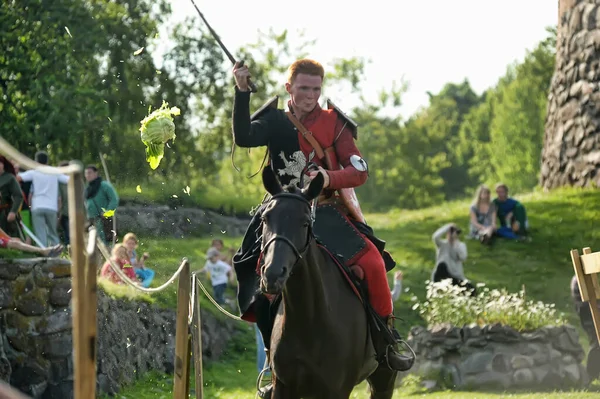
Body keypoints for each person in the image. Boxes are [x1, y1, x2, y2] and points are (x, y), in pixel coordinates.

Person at [231, 58, 411, 398]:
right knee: (257, 278)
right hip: (284, 211)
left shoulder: (334, 123)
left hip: (326, 211)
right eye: (303, 88)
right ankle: (274, 365)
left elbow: (358, 172)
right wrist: (242, 92)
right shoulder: (273, 120)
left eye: (316, 88)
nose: (310, 95)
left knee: (372, 263)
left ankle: (386, 343)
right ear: (289, 88)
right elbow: (243, 137)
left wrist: (329, 176)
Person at [17, 151, 69, 247]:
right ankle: (55, 251)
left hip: (37, 206)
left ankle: (43, 253)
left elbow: (19, 178)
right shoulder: (54, 172)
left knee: (40, 234)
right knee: (53, 233)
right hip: (51, 207)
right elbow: (68, 180)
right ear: (47, 161)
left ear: (36, 161)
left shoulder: (34, 172)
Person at [431, 223, 476, 295]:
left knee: (472, 290)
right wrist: (448, 226)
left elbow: (463, 257)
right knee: (442, 265)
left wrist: (455, 243)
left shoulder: (461, 245)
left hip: (456, 276)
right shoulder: (442, 244)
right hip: (443, 275)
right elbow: (435, 237)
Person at [570, 275, 600, 381]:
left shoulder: (584, 278)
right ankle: (591, 375)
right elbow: (587, 302)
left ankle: (593, 374)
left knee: (596, 341)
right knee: (596, 340)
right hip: (588, 314)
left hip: (589, 311)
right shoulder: (580, 279)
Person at [83, 165, 119, 245]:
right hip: (91, 219)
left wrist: (107, 212)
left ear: (96, 173)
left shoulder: (104, 185)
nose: (87, 175)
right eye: (86, 173)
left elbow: (114, 199)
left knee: (103, 241)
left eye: (90, 173)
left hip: (102, 219)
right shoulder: (88, 188)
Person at [0, 156, 23, 238]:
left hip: (5, 214)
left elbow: (18, 195)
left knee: (10, 239)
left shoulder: (9, 178)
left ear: (3, 164)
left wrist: (13, 212)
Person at [57, 160, 70, 246]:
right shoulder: (59, 182)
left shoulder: (74, 181)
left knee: (69, 233)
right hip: (65, 212)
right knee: (67, 233)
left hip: (68, 212)